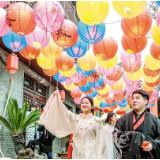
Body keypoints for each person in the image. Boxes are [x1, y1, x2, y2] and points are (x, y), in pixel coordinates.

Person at [40, 90, 108, 159]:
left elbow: (101, 142)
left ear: (92, 106)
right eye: (82, 103)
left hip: (92, 155)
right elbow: (64, 112)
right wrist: (57, 99)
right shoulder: (76, 119)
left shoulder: (97, 121)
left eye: (87, 103)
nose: (84, 104)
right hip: (77, 155)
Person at [113, 89, 160, 159]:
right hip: (128, 156)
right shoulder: (123, 119)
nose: (134, 100)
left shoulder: (154, 119)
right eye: (133, 98)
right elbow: (116, 135)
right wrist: (132, 137)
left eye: (137, 98)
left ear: (146, 101)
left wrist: (152, 144)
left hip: (147, 156)